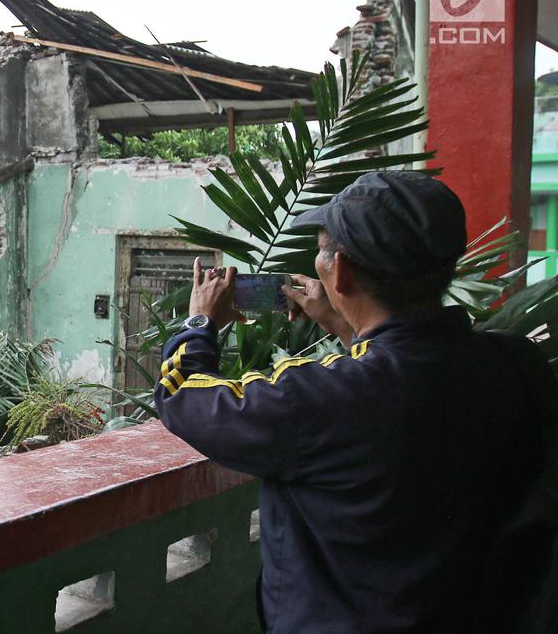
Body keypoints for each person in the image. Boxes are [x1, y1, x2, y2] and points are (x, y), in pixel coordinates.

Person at [153, 171, 555, 633]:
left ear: (340, 271)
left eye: (322, 250)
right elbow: (402, 378)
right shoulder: (515, 363)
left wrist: (201, 319)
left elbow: (181, 393)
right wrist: (346, 324)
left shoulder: (317, 399)